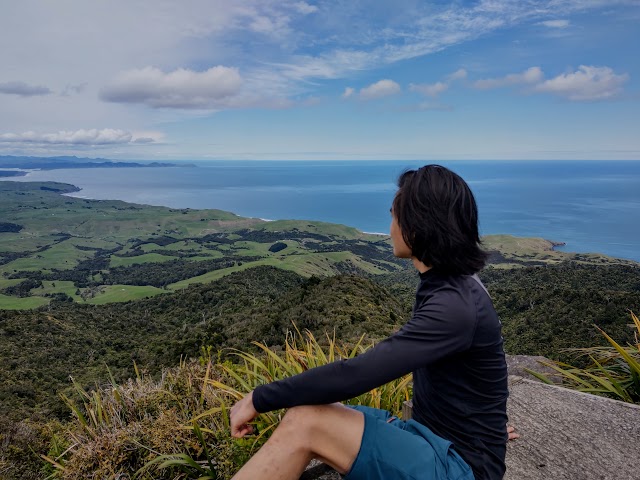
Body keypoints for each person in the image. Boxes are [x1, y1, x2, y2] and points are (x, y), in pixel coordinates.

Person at [230, 165, 518, 480]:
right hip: (431, 438)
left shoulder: (454, 306)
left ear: (418, 224)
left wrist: (258, 398)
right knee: (307, 409)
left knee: (307, 423)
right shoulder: (452, 283)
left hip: (460, 467)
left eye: (394, 215)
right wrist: (486, 426)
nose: (390, 226)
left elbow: (359, 373)